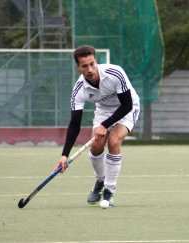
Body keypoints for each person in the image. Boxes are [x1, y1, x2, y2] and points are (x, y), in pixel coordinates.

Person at [55, 45, 140, 209]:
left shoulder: (115, 73)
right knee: (96, 145)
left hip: (128, 107)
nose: (90, 69)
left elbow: (127, 105)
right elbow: (74, 125)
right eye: (84, 66)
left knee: (114, 142)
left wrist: (105, 125)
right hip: (103, 111)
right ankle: (100, 180)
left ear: (96, 62)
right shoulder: (79, 90)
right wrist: (64, 155)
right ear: (78, 67)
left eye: (92, 64)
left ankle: (109, 191)